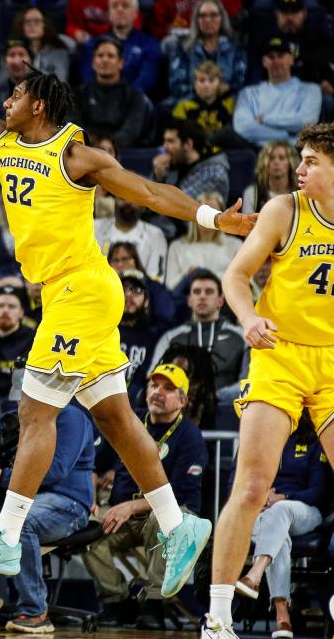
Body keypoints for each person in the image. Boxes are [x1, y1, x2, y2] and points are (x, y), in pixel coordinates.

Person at [0, 45, 256, 596]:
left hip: (85, 287)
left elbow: (149, 192)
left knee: (34, 411)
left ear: (39, 103)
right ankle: (179, 525)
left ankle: (6, 534)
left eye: (15, 93)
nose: (5, 100)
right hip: (62, 294)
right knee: (115, 419)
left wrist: (211, 217)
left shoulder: (75, 154)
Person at [203, 122, 334, 637]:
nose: (297, 170)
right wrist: (249, 318)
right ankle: (217, 616)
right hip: (278, 354)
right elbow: (235, 277)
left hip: (331, 362)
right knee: (253, 485)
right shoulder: (285, 210)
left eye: (311, 162)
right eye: (299, 160)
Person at [0, 404, 94, 632]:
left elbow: (56, 470)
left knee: (21, 519)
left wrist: (0, 476)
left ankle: (35, 611)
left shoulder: (70, 416)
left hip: (64, 501)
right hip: (12, 498)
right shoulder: (10, 416)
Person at [83, 363, 207, 629]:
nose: (158, 392)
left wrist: (130, 506)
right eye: (154, 385)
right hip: (125, 513)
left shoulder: (190, 435)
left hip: (174, 513)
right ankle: (116, 602)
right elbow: (94, 463)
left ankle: (153, 605)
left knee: (163, 522)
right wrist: (90, 497)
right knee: (88, 533)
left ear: (183, 400)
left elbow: (180, 491)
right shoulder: (130, 421)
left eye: (168, 388)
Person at [233, 420, 331, 638]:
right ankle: (282, 616)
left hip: (303, 509)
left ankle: (256, 573)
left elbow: (317, 491)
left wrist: (283, 497)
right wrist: (256, 497)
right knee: (279, 536)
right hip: (258, 512)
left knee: (280, 511)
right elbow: (235, 482)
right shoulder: (256, 438)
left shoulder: (314, 440)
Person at [150, 270, 247, 398]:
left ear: (220, 301)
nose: (202, 296)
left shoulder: (242, 336)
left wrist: (213, 399)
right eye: (196, 292)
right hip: (179, 408)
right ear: (189, 300)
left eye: (209, 292)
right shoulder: (170, 338)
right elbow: (153, 377)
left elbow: (248, 383)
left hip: (226, 409)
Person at [234, 36, 321, 147]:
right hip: (261, 151)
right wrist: (284, 135)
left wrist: (265, 120)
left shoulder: (311, 90)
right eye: (271, 57)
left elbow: (306, 122)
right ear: (264, 62)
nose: (276, 61)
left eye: (280, 56)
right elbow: (243, 127)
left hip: (297, 151)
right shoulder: (248, 93)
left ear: (291, 59)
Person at [166, 0, 246, 102]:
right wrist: (201, 91)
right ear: (196, 20)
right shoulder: (183, 48)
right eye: (203, 16)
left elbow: (240, 83)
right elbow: (176, 85)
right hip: (190, 102)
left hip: (227, 103)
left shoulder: (236, 47)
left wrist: (221, 91)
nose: (208, 20)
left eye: (213, 15)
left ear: (222, 18)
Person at [75, 37, 149, 149]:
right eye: (100, 56)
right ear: (93, 62)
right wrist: (90, 143)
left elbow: (131, 130)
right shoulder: (78, 94)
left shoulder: (134, 96)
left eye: (110, 56)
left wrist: (112, 143)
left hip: (122, 154)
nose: (105, 60)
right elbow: (73, 125)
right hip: (86, 149)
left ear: (121, 63)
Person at [78, 0, 161, 93]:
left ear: (136, 13)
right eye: (114, 6)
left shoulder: (150, 44)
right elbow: (88, 79)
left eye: (125, 6)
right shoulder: (93, 45)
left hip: (134, 100)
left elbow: (147, 80)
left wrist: (125, 98)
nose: (119, 10)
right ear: (109, 12)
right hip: (99, 100)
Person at [166, 192, 242, 287]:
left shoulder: (236, 246)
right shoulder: (177, 247)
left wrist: (202, 276)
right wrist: (186, 277)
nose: (208, 217)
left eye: (213, 212)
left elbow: (240, 280)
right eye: (204, 212)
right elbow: (170, 284)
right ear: (194, 215)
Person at [152, 118, 230, 207]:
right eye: (164, 141)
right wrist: (158, 177)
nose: (164, 147)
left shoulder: (214, 173)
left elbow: (178, 206)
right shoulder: (171, 164)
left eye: (170, 141)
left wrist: (159, 182)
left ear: (188, 144)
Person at [95, 198, 168, 280]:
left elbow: (156, 279)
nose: (128, 202)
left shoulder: (155, 235)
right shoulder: (94, 227)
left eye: (133, 198)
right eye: (122, 198)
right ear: (115, 200)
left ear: (143, 206)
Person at [118, 269, 161, 405]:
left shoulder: (154, 339)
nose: (128, 295)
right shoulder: (101, 330)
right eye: (124, 289)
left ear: (147, 301)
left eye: (137, 290)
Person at [171, 62, 238, 141]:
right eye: (202, 80)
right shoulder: (183, 107)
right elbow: (175, 137)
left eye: (211, 80)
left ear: (219, 83)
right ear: (195, 83)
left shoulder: (230, 104)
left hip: (224, 150)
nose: (206, 85)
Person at [11, 7, 70, 82]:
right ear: (21, 25)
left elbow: (60, 82)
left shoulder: (59, 52)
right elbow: (3, 85)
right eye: (28, 21)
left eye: (37, 21)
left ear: (45, 25)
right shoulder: (13, 52)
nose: (32, 25)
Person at [242, 141, 298, 214]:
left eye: (281, 158)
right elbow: (248, 224)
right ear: (264, 163)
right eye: (271, 158)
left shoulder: (302, 193)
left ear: (291, 162)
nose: (276, 162)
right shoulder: (252, 193)